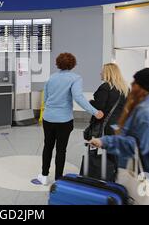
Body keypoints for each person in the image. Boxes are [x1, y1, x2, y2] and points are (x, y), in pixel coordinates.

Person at [89, 68, 149, 201]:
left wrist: (105, 141)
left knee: (144, 200)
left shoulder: (147, 111)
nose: (132, 84)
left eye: (135, 82)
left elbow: (139, 145)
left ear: (142, 87)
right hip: (148, 170)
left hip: (143, 172)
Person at [37, 53, 104, 185]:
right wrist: (95, 112)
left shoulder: (51, 78)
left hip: (48, 118)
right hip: (64, 120)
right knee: (61, 149)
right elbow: (78, 97)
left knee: (48, 146)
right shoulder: (75, 78)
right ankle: (58, 179)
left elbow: (45, 99)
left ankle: (44, 176)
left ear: (58, 63)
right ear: (72, 64)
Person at [82, 63, 129, 181]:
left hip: (104, 127)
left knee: (94, 151)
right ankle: (113, 177)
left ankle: (93, 176)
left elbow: (99, 109)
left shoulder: (105, 87)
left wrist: (90, 102)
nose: (100, 73)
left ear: (108, 73)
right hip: (119, 126)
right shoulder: (124, 88)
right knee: (114, 155)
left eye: (102, 71)